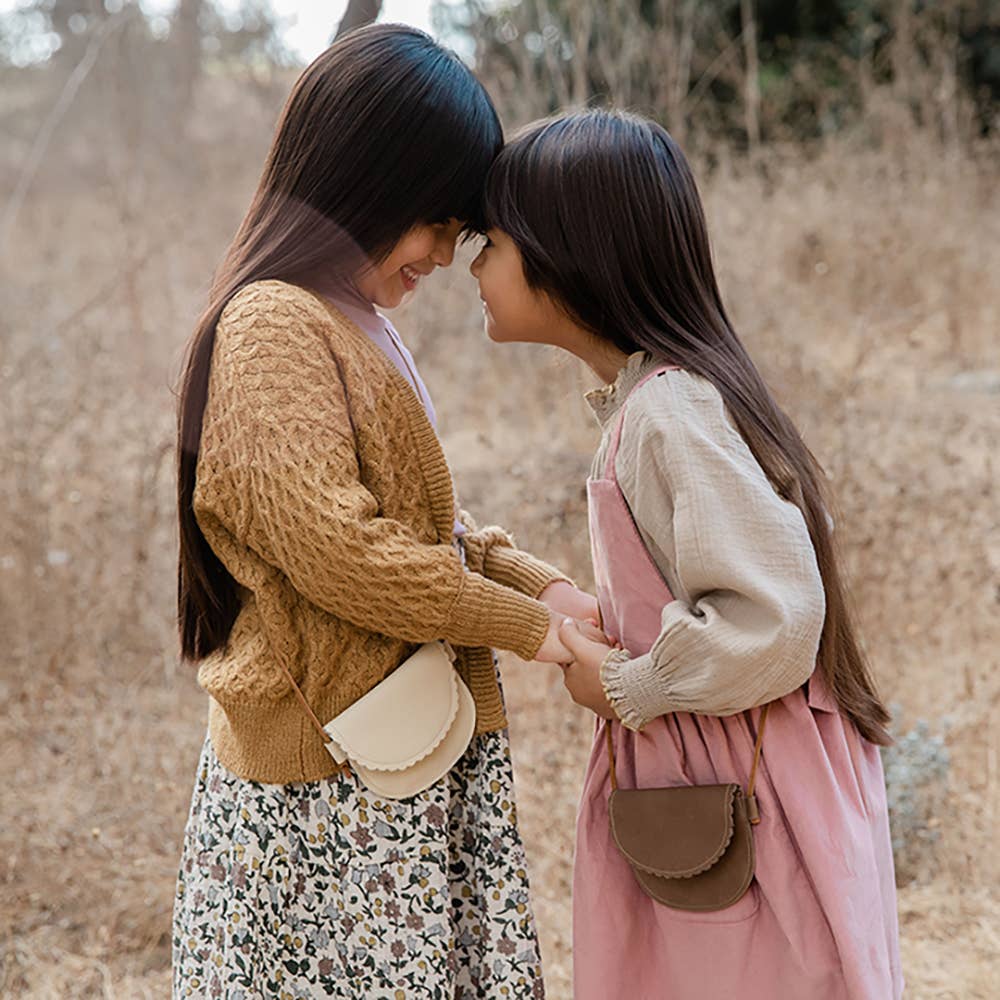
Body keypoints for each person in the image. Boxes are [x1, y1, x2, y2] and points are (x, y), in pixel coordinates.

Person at [172, 26, 596, 998]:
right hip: (325, 796)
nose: (449, 254)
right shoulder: (274, 322)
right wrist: (533, 629)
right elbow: (346, 555)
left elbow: (413, 527)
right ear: (366, 180)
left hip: (377, 772)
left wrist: (545, 583)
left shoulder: (350, 318)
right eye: (438, 222)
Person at [471, 109, 902, 1000]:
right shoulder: (656, 402)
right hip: (709, 781)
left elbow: (771, 614)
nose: (474, 264)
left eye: (493, 241)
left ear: (568, 252)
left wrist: (631, 684)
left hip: (738, 794)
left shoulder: (666, 412)